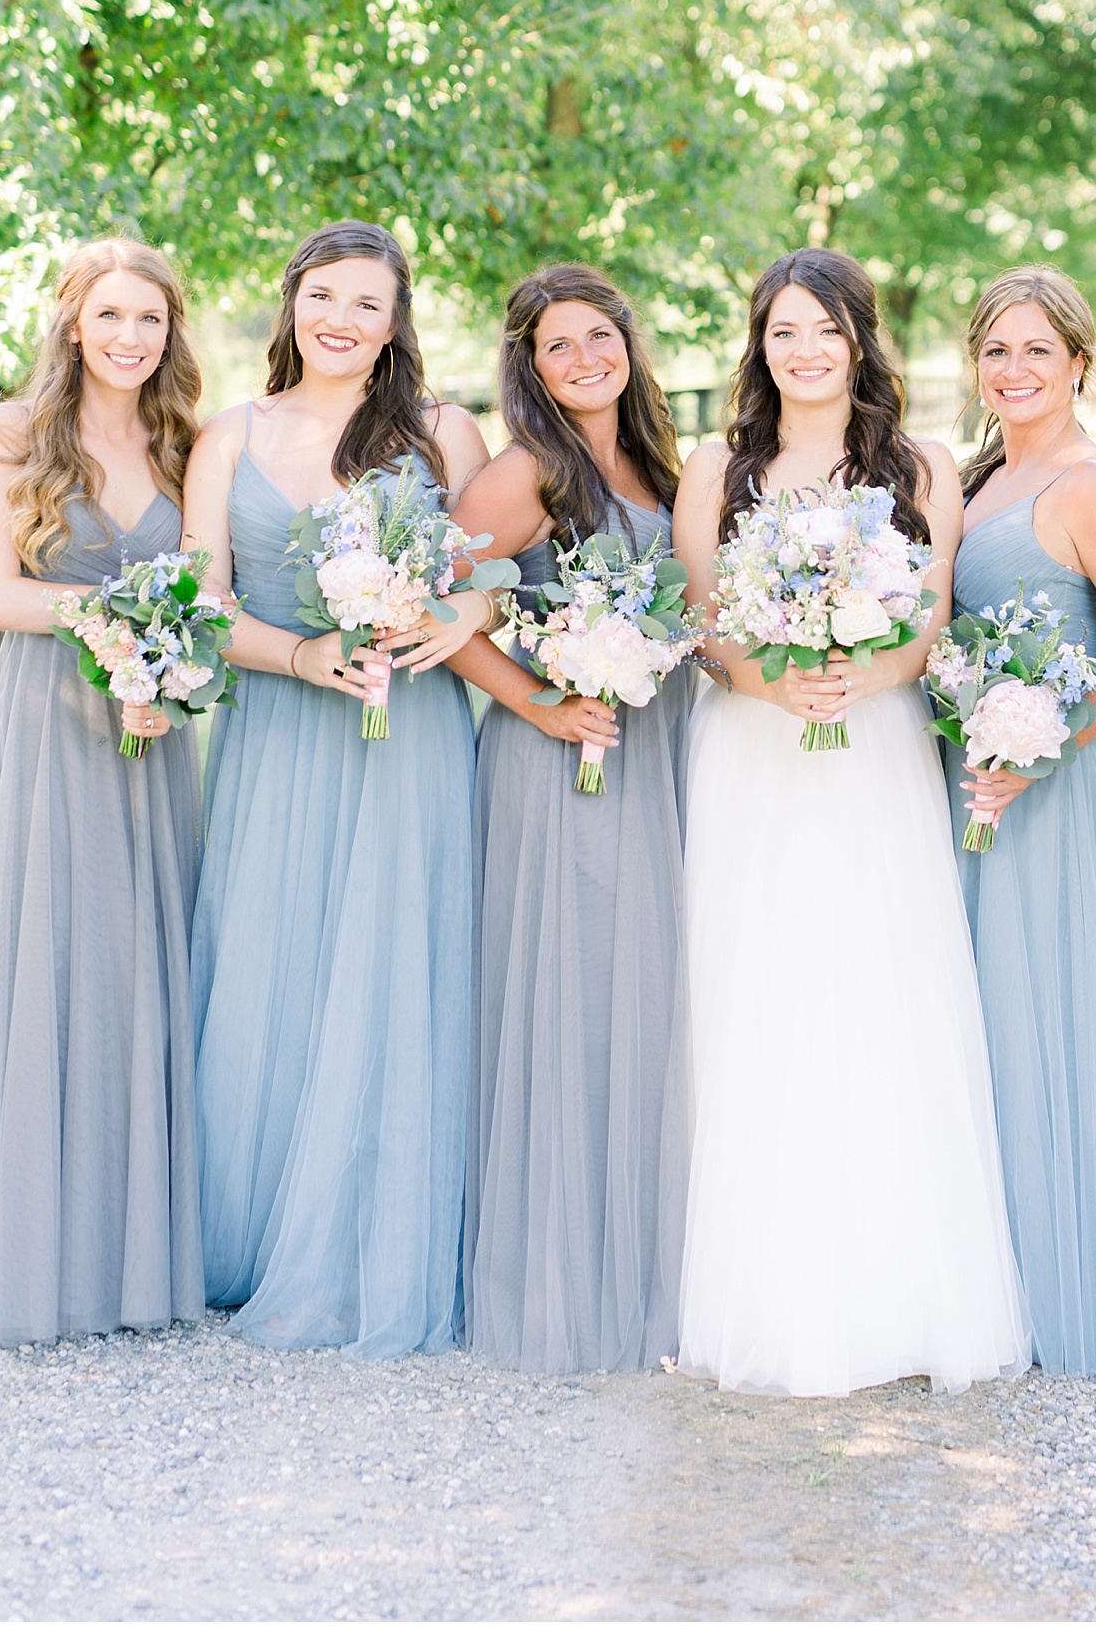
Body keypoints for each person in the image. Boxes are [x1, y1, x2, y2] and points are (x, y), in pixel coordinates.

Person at [672, 248, 1032, 1397]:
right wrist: (768, 680)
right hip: (752, 749)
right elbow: (701, 620)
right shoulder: (717, 469)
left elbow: (926, 623)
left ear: (859, 337)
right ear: (759, 345)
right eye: (783, 330)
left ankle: (901, 1294)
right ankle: (768, 1296)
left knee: (881, 990)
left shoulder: (918, 463)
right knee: (760, 994)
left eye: (826, 327)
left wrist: (864, 678)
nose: (806, 349)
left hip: (874, 746)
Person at [187, 221, 493, 1357]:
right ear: (291, 303)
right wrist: (305, 654)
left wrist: (453, 612)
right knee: (275, 963)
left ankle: (379, 1232)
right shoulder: (232, 433)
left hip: (406, 737)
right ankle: (256, 1231)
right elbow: (207, 604)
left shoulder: (440, 432)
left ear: (396, 320)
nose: (343, 319)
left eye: (369, 303)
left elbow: (494, 577)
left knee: (390, 967)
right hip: (279, 732)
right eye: (325, 295)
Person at [0, 238, 205, 1350]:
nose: (129, 336)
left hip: (151, 726)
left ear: (171, 330)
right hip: (52, 722)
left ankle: (138, 1248)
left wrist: (168, 666)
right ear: (72, 321)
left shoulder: (183, 438)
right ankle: (40, 1252)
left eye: (149, 318)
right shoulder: (14, 433)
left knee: (142, 959)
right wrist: (118, 628)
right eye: (110, 314)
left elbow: (202, 583)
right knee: (58, 954)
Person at [450, 266, 691, 1373]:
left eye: (601, 334)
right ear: (530, 365)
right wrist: (542, 701)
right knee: (572, 993)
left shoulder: (654, 461)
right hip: (563, 761)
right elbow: (439, 607)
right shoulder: (525, 471)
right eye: (559, 344)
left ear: (628, 344)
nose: (585, 355)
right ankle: (561, 1268)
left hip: (658, 754)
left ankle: (653, 1250)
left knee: (649, 995)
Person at [947, 268, 1096, 1376]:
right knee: (971, 1019)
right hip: (966, 776)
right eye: (996, 350)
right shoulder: (977, 474)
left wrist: (1046, 747)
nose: (1015, 369)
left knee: (1040, 1010)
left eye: (1038, 349)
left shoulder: (1090, 486)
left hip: (1048, 783)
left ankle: (1058, 1282)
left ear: (1081, 362)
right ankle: (977, 1284)